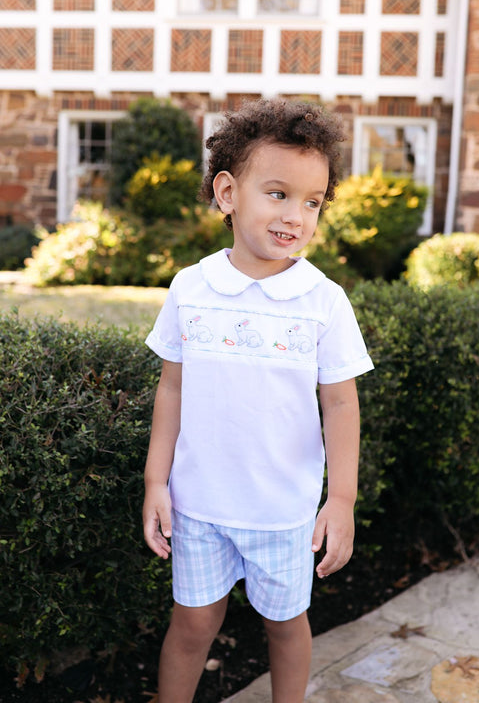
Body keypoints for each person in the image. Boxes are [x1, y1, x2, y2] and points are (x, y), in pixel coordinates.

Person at [143, 98, 374, 703]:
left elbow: (342, 406)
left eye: (312, 201)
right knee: (192, 625)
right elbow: (172, 387)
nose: (296, 215)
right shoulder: (192, 288)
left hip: (284, 512)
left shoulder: (323, 301)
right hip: (200, 507)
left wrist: (342, 498)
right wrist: (154, 484)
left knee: (285, 626)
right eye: (278, 193)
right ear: (227, 193)